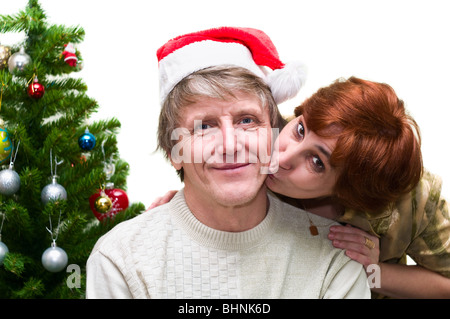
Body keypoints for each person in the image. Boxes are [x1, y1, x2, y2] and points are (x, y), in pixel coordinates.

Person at [85, 27, 370, 299]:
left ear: (272, 135)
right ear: (174, 153)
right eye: (204, 126)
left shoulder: (336, 262)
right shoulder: (120, 260)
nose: (230, 146)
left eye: (247, 120)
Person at [151, 76, 450, 299]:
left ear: (349, 191)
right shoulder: (264, 133)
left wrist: (372, 272)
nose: (281, 157)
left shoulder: (414, 199)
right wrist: (192, 206)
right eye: (300, 129)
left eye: (317, 162)